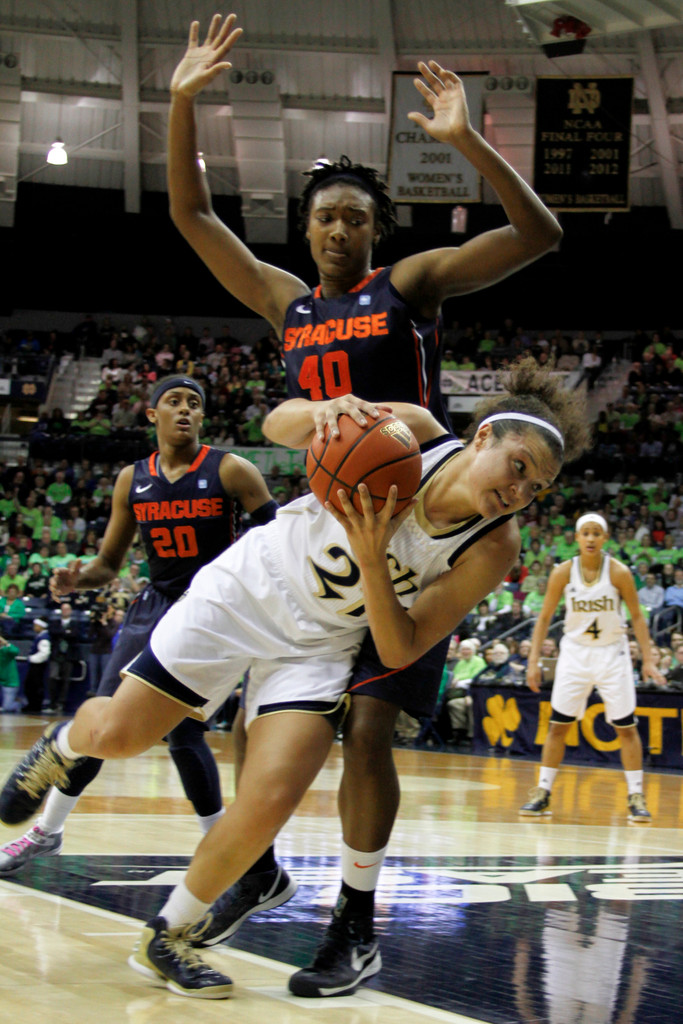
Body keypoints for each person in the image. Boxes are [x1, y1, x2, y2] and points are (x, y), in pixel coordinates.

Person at [122, 10, 564, 996]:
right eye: (323, 214)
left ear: (374, 231)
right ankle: (252, 865)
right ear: (306, 225)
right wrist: (183, 100)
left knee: (368, 726)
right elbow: (193, 219)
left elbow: (539, 234)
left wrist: (466, 143)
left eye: (354, 216)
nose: (337, 227)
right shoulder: (285, 302)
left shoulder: (406, 287)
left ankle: (353, 922)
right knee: (266, 730)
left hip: (417, 531)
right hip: (323, 537)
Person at [0, 365, 590, 998]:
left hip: (320, 643)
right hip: (246, 591)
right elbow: (272, 424)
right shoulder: (413, 433)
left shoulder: (495, 544)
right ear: (484, 436)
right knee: (118, 736)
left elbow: (400, 646)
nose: (521, 490)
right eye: (520, 466)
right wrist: (326, 410)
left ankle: (167, 934)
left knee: (272, 796)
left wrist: (371, 557)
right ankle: (65, 744)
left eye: (539, 487)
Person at [0, 375, 276, 878]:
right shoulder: (133, 478)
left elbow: (276, 542)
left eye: (195, 403)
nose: (186, 410)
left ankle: (221, 849)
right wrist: (76, 579)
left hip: (210, 611)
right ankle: (48, 832)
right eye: (173, 402)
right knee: (100, 722)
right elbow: (109, 563)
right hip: (152, 608)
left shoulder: (232, 470)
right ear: (152, 414)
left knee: (185, 735)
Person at [519, 513, 667, 823]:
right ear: (576, 537)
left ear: (605, 538)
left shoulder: (619, 572)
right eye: (585, 533)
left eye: (596, 533)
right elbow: (544, 619)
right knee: (558, 724)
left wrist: (649, 658)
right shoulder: (562, 572)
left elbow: (637, 617)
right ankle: (543, 791)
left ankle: (635, 795)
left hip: (612, 654)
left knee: (626, 726)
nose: (590, 538)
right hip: (574, 653)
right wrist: (532, 661)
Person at [21, 618, 51, 714]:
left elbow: (44, 653)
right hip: (35, 665)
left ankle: (35, 705)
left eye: (36, 625)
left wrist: (32, 658)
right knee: (30, 685)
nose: (34, 627)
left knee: (34, 686)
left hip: (38, 666)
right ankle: (32, 704)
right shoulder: (40, 636)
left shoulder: (44, 638)